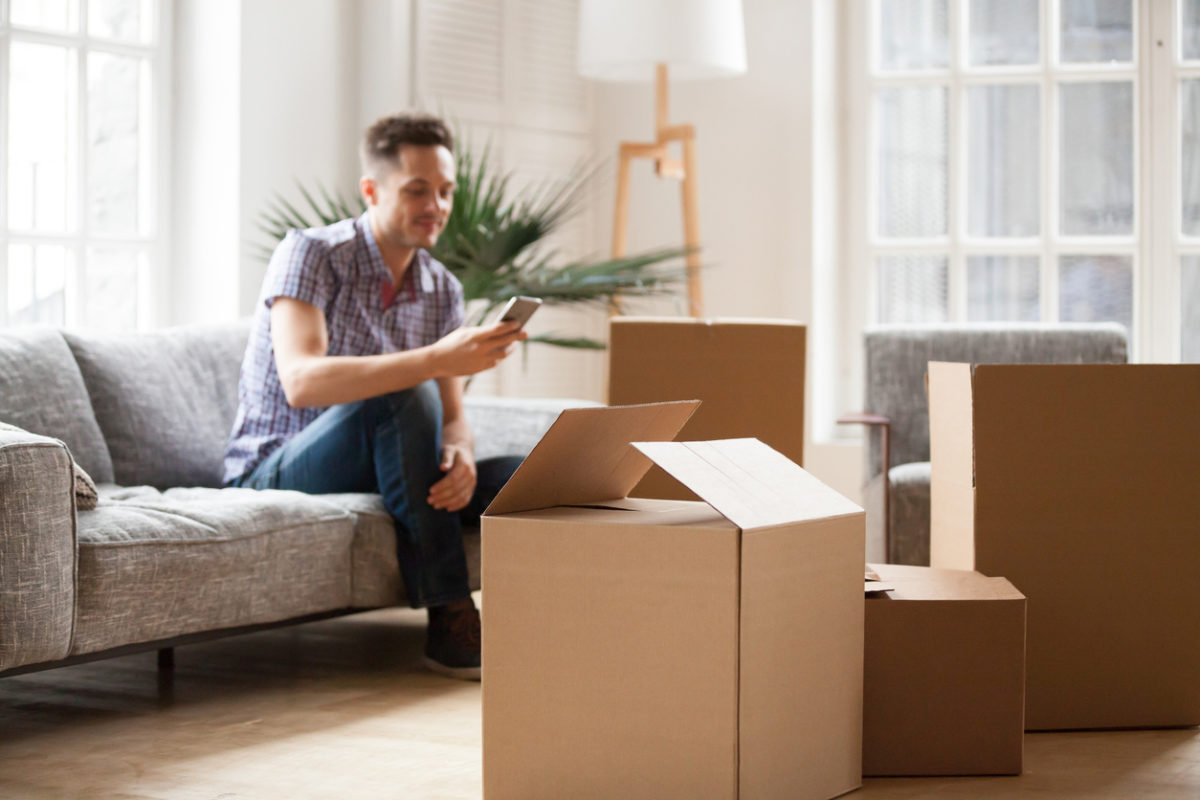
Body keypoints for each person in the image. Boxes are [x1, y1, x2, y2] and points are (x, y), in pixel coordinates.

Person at [223, 113, 526, 680]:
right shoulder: (312, 254)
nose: (435, 204)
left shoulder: (443, 289)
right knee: (404, 394)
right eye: (417, 189)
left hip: (392, 462)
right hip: (279, 464)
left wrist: (458, 454)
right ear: (372, 190)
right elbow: (302, 379)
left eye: (444, 190)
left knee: (534, 474)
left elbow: (454, 418)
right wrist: (436, 359)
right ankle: (449, 611)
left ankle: (570, 618)